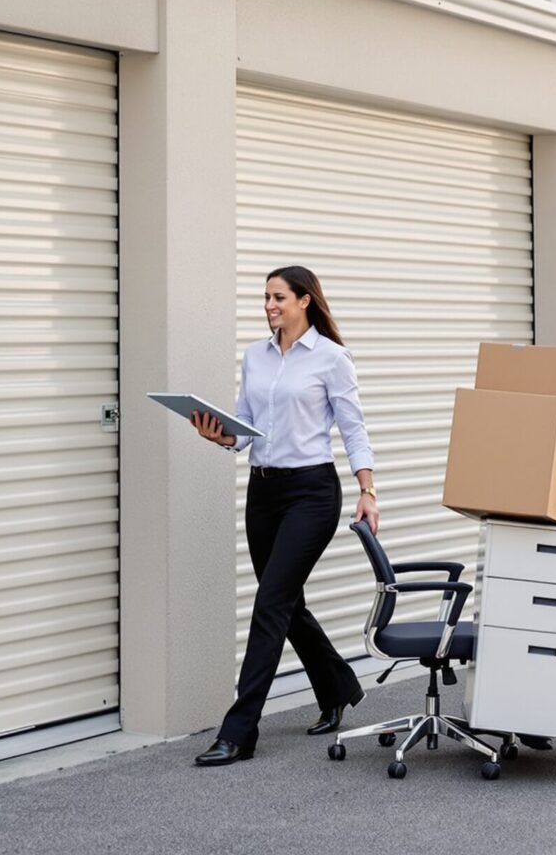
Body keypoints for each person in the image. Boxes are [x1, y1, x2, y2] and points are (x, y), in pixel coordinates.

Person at [187, 265, 377, 767]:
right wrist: (221, 435)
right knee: (286, 604)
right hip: (263, 493)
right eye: (265, 297)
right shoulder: (255, 355)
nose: (269, 306)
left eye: (278, 297)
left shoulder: (332, 358)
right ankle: (337, 687)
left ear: (304, 301)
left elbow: (353, 429)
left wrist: (368, 490)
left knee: (270, 604)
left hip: (311, 495)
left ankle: (239, 730)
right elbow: (248, 429)